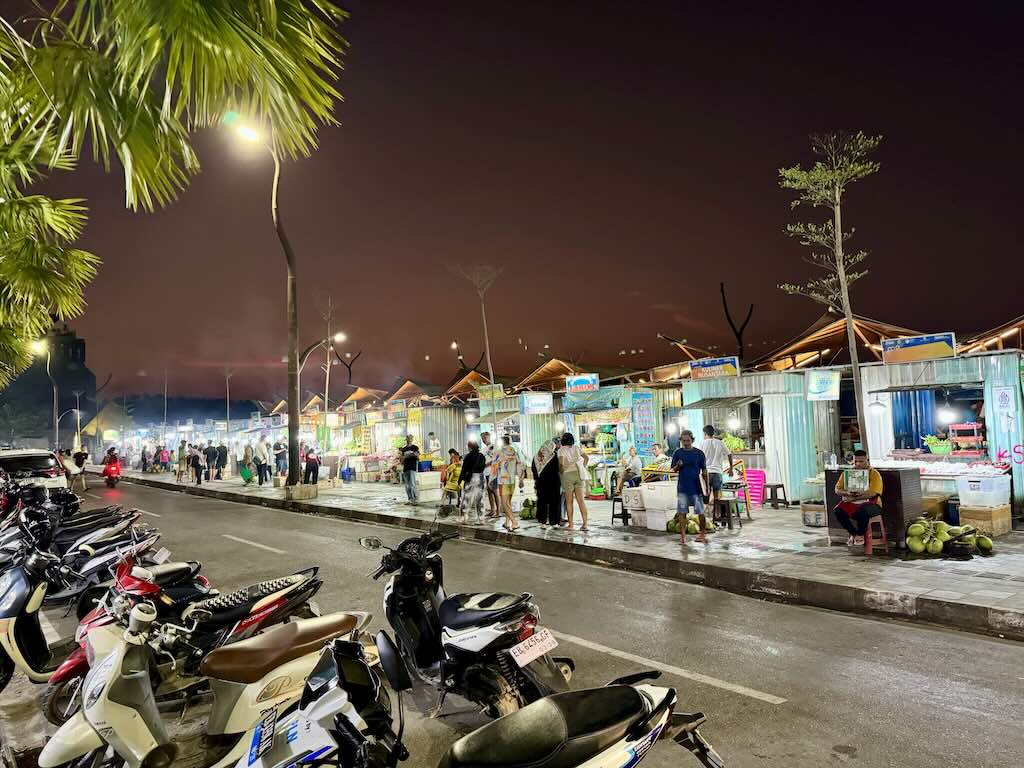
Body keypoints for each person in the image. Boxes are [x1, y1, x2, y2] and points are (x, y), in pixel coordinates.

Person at [833, 450, 884, 545]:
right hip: (851, 502)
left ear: (867, 461)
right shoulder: (847, 473)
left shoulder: (874, 474)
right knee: (838, 511)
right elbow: (837, 489)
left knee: (862, 512)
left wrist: (853, 498)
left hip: (872, 504)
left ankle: (860, 534)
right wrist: (847, 493)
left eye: (861, 461)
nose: (858, 464)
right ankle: (854, 534)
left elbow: (873, 493)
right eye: (856, 461)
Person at [672, 430, 709, 545]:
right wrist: (678, 465)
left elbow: (704, 471)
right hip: (683, 488)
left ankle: (702, 534)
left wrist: (707, 487)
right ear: (681, 441)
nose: (686, 443)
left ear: (692, 440)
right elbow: (673, 469)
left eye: (688, 440)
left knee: (701, 513)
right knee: (682, 513)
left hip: (696, 488)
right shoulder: (677, 453)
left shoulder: (699, 453)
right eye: (683, 441)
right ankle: (682, 537)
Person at [557, 433, 589, 531]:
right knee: (581, 501)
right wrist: (583, 466)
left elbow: (561, 464)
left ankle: (571, 525)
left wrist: (561, 473)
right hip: (578, 474)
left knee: (569, 501)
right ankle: (585, 524)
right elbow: (586, 458)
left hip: (567, 475)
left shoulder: (561, 450)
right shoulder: (576, 448)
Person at [495, 436, 525, 532]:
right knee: (508, 502)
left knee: (504, 503)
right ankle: (507, 522)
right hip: (512, 480)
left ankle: (514, 522)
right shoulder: (515, 452)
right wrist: (521, 479)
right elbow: (520, 465)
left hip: (503, 480)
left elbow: (494, 466)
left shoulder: (499, 452)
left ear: (502, 442)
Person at [532, 439, 561, 529]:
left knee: (542, 502)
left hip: (540, 483)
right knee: (554, 502)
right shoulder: (554, 456)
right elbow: (558, 469)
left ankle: (543, 522)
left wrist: (536, 481)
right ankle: (554, 522)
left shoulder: (536, 456)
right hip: (553, 483)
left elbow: (533, 470)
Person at [699, 425, 729, 508]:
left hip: (706, 473)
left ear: (705, 433)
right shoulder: (720, 442)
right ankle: (717, 515)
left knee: (706, 495)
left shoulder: (702, 443)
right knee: (717, 497)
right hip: (717, 472)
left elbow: (699, 457)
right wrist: (731, 469)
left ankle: (706, 516)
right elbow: (729, 454)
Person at [458, 440, 486, 523]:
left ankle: (463, 518)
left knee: (466, 499)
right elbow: (483, 466)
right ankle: (481, 519)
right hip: (481, 477)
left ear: (469, 447)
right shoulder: (481, 456)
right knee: (480, 499)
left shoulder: (468, 456)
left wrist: (460, 479)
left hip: (471, 478)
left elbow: (464, 469)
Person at [480, 431, 498, 518]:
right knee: (489, 491)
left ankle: (498, 511)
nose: (483, 440)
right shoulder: (484, 448)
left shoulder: (493, 447)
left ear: (489, 437)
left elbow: (495, 459)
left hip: (492, 471)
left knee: (494, 490)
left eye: (485, 438)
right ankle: (492, 509)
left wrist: (486, 464)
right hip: (486, 472)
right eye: (482, 438)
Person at [400, 435, 420, 504]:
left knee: (412, 484)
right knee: (407, 485)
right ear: (406, 440)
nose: (409, 440)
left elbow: (417, 456)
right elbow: (401, 460)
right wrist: (407, 456)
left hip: (412, 468)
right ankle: (410, 499)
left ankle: (415, 499)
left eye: (410, 438)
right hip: (405, 468)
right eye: (408, 438)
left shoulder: (415, 447)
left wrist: (408, 456)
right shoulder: (404, 449)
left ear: (412, 439)